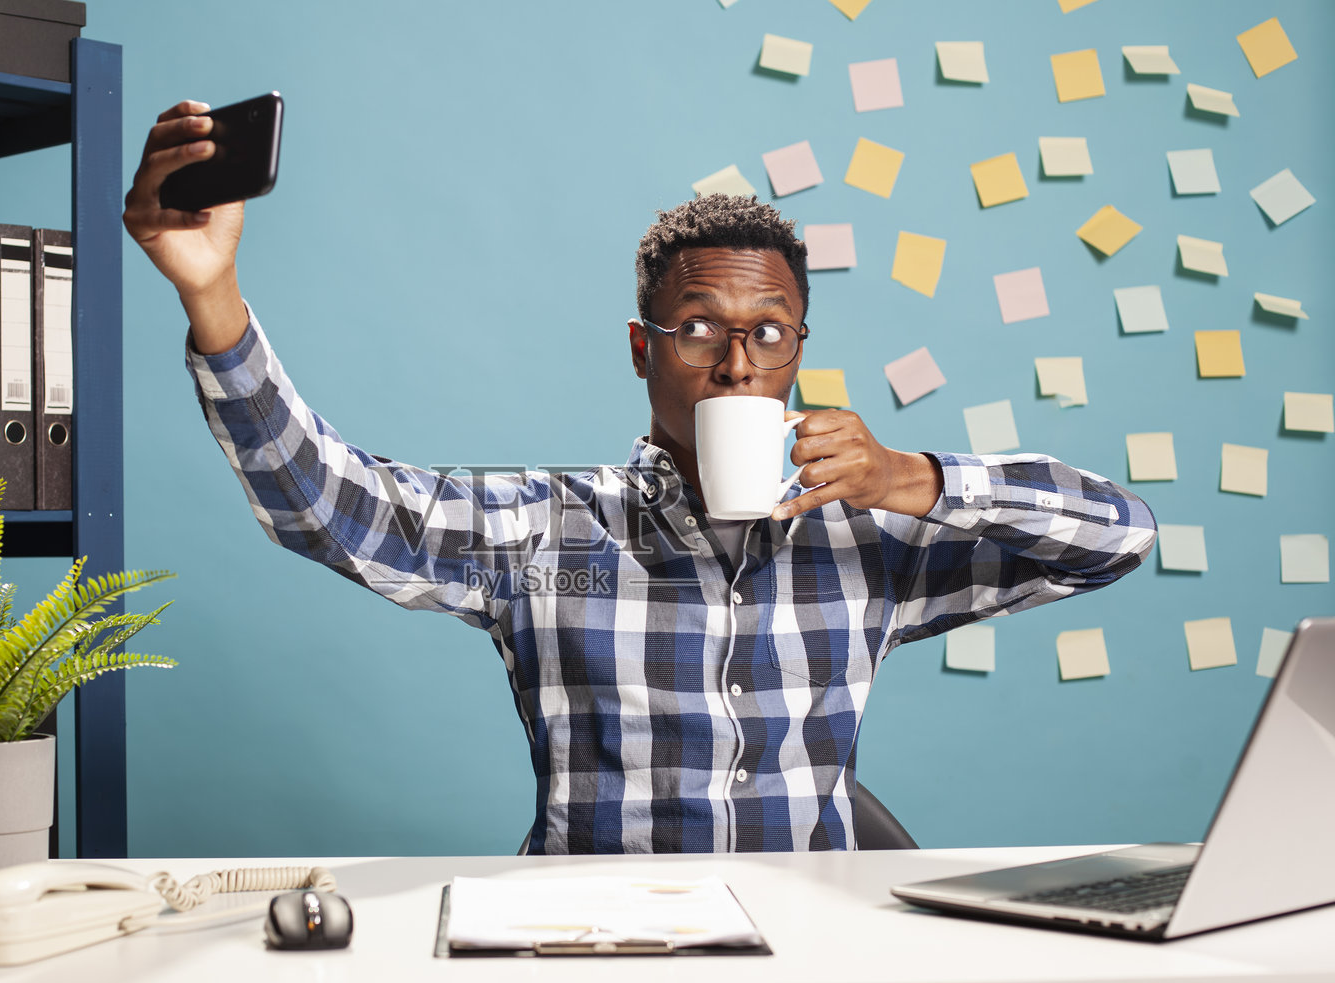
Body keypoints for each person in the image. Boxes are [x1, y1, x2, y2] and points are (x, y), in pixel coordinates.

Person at [125, 100, 1157, 857]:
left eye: (769, 333)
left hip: (821, 966)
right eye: (699, 327)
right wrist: (212, 294)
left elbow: (1117, 534)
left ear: (798, 347)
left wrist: (916, 477)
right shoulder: (546, 536)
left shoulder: (866, 544)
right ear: (642, 346)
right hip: (598, 962)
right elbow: (326, 504)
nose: (738, 362)